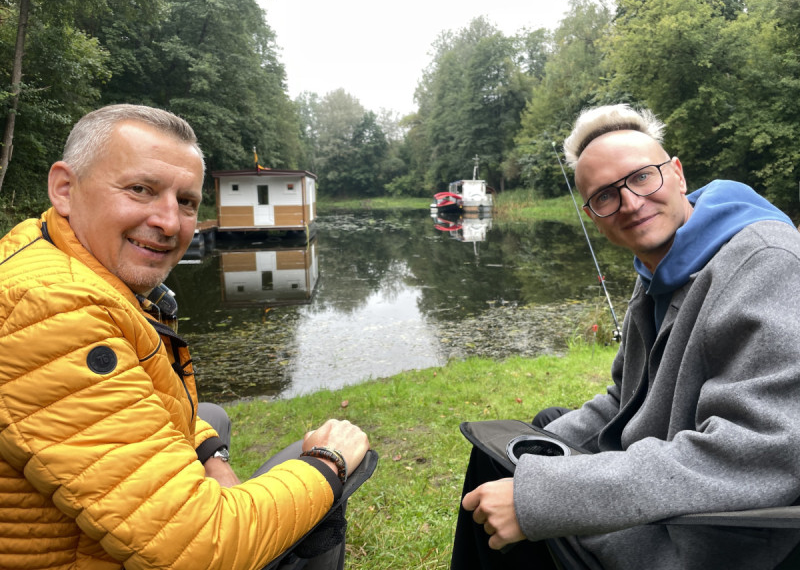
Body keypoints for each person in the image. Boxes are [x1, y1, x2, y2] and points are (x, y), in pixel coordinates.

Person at [0, 104, 371, 569]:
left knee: (211, 417)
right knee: (330, 455)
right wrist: (329, 463)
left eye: (187, 202)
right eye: (141, 189)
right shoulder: (49, 309)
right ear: (65, 189)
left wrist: (212, 456)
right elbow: (200, 549)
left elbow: (153, 395)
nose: (170, 223)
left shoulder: (61, 253)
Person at [451, 103, 800, 570]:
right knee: (512, 449)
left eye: (641, 177)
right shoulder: (661, 268)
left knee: (524, 493)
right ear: (593, 215)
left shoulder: (768, 263)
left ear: (677, 173)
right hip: (667, 487)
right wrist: (521, 455)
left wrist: (546, 498)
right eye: (605, 196)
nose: (631, 204)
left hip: (708, 537)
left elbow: (761, 454)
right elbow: (626, 398)